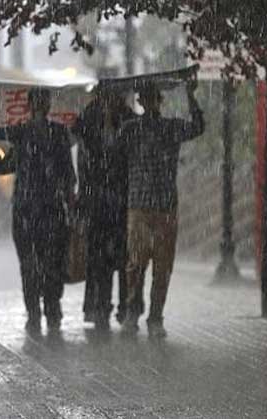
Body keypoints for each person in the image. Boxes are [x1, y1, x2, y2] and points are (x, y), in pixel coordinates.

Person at [0, 88, 76, 334]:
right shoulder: (21, 133)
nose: (41, 106)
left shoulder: (58, 134)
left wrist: (70, 200)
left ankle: (51, 309)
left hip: (51, 208)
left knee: (52, 263)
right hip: (26, 209)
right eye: (38, 102)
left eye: (43, 102)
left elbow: (67, 173)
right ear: (32, 105)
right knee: (30, 264)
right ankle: (35, 312)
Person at [118, 78, 204, 339]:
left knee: (162, 266)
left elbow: (198, 126)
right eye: (145, 98)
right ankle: (133, 310)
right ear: (141, 102)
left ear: (159, 101)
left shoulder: (171, 127)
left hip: (165, 205)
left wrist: (191, 96)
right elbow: (111, 149)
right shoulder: (130, 129)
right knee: (136, 263)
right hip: (139, 206)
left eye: (153, 98)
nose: (150, 103)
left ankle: (156, 316)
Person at [73, 87, 141, 330]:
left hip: (122, 202)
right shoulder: (90, 120)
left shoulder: (129, 120)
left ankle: (126, 307)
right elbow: (79, 136)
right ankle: (99, 307)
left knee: (124, 259)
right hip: (98, 203)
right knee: (98, 260)